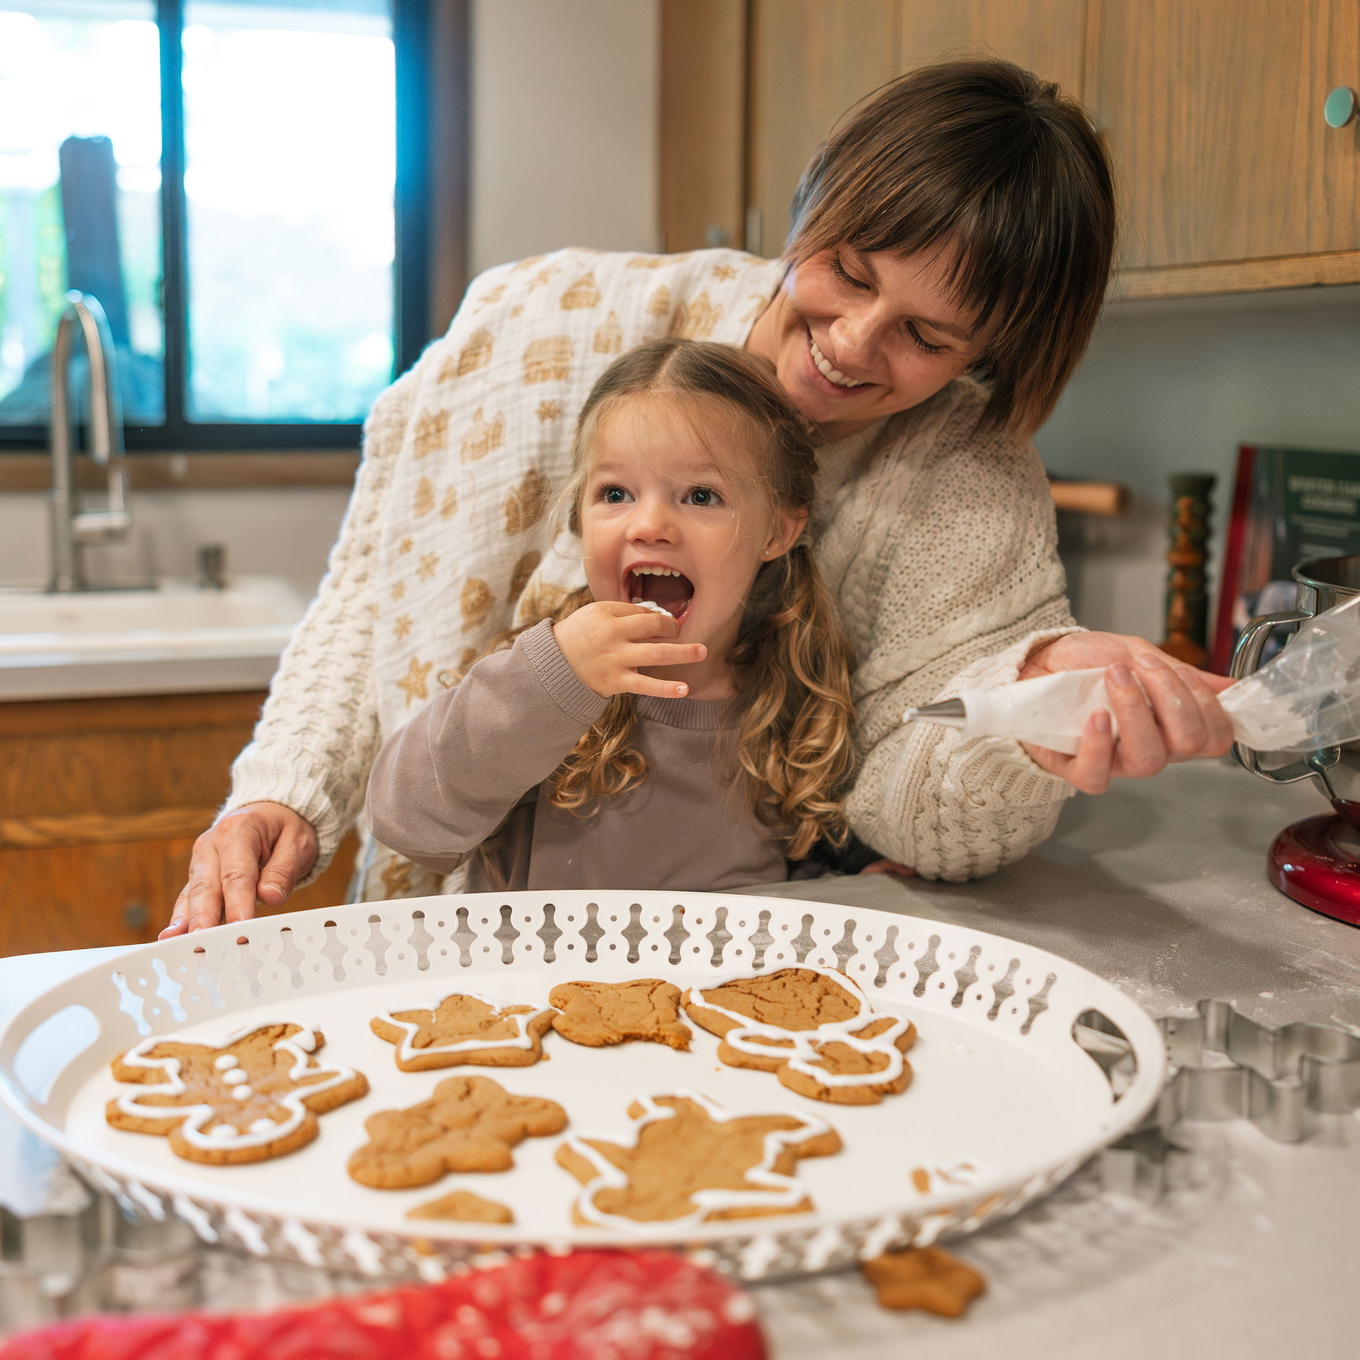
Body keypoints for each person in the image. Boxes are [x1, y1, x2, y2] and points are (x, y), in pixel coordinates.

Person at [163, 59, 1233, 936]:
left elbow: (911, 787)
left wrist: (1027, 703)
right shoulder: (559, 320)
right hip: (459, 948)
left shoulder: (962, 482)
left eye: (926, 336)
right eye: (849, 271)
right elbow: (377, 593)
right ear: (813, 203)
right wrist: (284, 788)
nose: (851, 344)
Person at [365, 338, 855, 890]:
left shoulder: (794, 700)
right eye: (616, 492)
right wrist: (550, 681)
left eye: (700, 496)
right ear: (580, 514)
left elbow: (790, 879)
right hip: (527, 976)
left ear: (776, 532)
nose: (649, 525)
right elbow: (404, 820)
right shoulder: (540, 682)